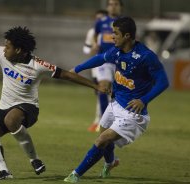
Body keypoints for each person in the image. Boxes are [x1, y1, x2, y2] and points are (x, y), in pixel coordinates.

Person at [0, 11, 105, 180]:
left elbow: (67, 75)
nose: (4, 50)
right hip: (4, 106)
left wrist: (95, 85)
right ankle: (4, 172)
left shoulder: (38, 65)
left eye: (8, 47)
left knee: (11, 120)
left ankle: (34, 159)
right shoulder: (1, 53)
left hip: (28, 107)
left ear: (19, 50)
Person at [64, 17, 169, 183]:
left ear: (127, 36)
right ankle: (110, 163)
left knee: (102, 140)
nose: (112, 36)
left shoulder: (145, 56)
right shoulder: (117, 51)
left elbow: (163, 81)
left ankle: (75, 175)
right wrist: (77, 69)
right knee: (103, 135)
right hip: (115, 104)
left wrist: (143, 99)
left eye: (115, 33)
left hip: (134, 114)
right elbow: (100, 58)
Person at [87, 0, 123, 132]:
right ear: (107, 7)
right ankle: (103, 121)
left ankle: (119, 120)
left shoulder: (125, 22)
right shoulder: (101, 22)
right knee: (102, 87)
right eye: (111, 4)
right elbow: (95, 35)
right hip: (105, 61)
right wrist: (96, 44)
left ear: (120, 7)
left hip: (120, 62)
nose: (113, 7)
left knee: (119, 92)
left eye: (116, 4)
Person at [83, 10, 108, 132]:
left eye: (101, 18)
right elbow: (86, 49)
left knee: (108, 92)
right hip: (97, 67)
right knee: (100, 93)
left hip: (111, 65)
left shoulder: (111, 30)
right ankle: (98, 121)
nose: (99, 20)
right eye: (97, 18)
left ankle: (103, 121)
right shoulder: (92, 32)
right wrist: (92, 49)